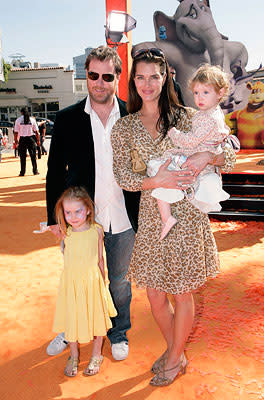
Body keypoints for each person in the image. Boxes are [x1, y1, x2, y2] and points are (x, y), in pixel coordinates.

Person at [111, 48, 235, 386]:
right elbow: (123, 177)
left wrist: (210, 155)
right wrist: (156, 181)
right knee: (153, 294)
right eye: (140, 76)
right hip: (153, 218)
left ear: (166, 78)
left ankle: (173, 356)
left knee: (181, 293)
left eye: (154, 76)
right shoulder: (124, 127)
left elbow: (230, 152)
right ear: (132, 81)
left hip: (186, 218)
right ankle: (176, 351)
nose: (147, 83)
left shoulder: (188, 116)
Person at [46, 46, 140, 361]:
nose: (99, 82)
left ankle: (118, 332)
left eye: (106, 76)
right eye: (93, 75)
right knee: (76, 278)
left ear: (117, 78)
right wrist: (53, 219)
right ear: (85, 76)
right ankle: (70, 329)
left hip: (122, 216)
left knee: (118, 282)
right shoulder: (67, 118)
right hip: (78, 219)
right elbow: (55, 171)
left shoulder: (132, 117)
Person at [148, 64, 230, 240]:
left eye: (205, 92)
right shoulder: (209, 113)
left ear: (220, 92)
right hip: (196, 161)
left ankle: (167, 215)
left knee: (159, 165)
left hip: (194, 163)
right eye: (196, 93)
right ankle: (170, 210)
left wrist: (173, 132)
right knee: (161, 167)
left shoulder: (204, 117)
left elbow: (191, 142)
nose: (199, 98)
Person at [53, 186, 117, 377]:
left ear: (88, 209)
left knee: (97, 318)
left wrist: (102, 281)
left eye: (78, 211)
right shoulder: (66, 233)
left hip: (92, 282)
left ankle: (97, 354)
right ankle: (73, 355)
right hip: (72, 284)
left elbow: (100, 258)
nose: (73, 216)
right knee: (73, 319)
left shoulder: (97, 230)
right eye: (68, 212)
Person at [14, 107, 40, 176]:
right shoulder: (32, 120)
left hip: (22, 139)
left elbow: (16, 132)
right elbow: (37, 132)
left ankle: (22, 172)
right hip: (30, 139)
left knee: (22, 157)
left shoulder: (18, 120)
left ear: (21, 112)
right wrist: (38, 141)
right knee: (33, 156)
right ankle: (35, 171)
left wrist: (16, 140)